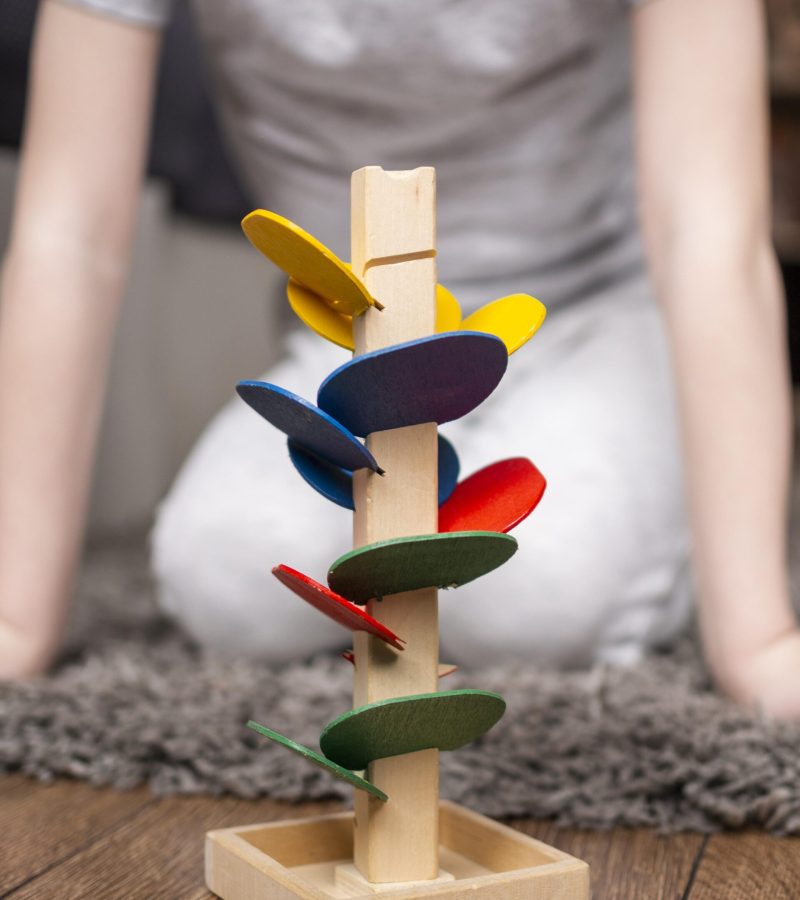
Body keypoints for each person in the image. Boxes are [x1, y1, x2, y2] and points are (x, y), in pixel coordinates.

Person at [1, 0, 797, 718]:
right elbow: (68, 237)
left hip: (595, 315)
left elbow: (709, 235)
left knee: (535, 593)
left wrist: (757, 642)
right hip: (355, 337)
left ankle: (662, 519)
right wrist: (14, 621)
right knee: (224, 579)